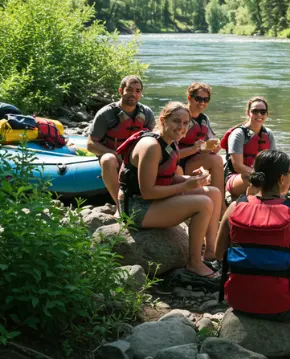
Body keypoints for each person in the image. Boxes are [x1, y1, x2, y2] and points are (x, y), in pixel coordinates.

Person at [215, 150, 290, 332]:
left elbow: (219, 253)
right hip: (280, 307)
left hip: (238, 301)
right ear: (282, 179)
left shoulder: (234, 206)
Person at [117, 101, 222, 279]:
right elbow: (148, 191)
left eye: (185, 123)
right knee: (203, 203)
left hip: (152, 201)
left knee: (214, 192)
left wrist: (193, 180)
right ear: (163, 120)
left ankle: (210, 251)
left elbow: (166, 177)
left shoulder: (170, 141)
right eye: (176, 121)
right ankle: (194, 263)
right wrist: (185, 186)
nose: (181, 127)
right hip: (136, 208)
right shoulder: (151, 146)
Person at [87, 75, 155, 205]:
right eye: (129, 90)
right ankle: (121, 205)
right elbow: (91, 144)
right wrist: (115, 154)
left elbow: (153, 141)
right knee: (108, 160)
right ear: (121, 90)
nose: (133, 94)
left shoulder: (147, 113)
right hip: (114, 156)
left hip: (134, 157)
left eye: (137, 91)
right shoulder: (105, 114)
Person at [178, 83, 226, 216]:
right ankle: (218, 207)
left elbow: (211, 140)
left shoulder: (204, 119)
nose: (202, 103)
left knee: (216, 158)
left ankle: (220, 205)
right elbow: (168, 149)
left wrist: (214, 147)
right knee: (215, 160)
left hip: (193, 160)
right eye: (198, 99)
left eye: (206, 100)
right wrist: (196, 149)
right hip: (178, 162)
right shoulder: (181, 118)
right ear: (189, 97)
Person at [221, 97, 277, 200]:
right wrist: (260, 176)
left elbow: (273, 161)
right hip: (236, 177)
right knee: (257, 182)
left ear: (267, 114)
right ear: (248, 113)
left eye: (263, 112)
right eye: (255, 111)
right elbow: (238, 166)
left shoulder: (268, 134)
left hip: (260, 176)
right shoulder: (238, 134)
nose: (259, 115)